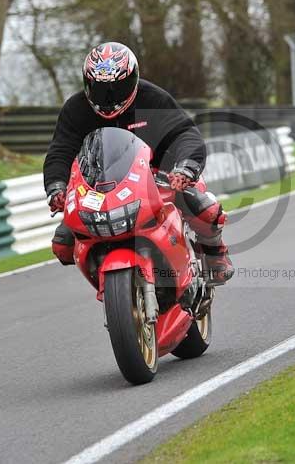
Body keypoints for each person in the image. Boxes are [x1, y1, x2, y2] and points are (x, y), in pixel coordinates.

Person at [43, 42, 234, 284]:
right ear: (86, 83)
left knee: (202, 207)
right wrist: (57, 186)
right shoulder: (76, 109)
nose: (109, 98)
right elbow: (61, 149)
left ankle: (215, 252)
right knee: (62, 243)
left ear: (132, 79)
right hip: (99, 187)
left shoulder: (152, 98)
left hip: (158, 177)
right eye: (100, 89)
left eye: (117, 88)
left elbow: (184, 133)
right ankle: (107, 281)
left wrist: (185, 168)